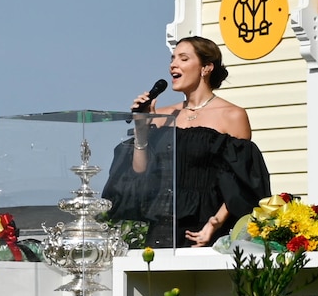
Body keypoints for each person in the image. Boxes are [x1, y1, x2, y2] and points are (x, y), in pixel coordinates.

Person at [105, 35, 271, 248]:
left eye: (183, 59)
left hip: (207, 228)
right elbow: (139, 171)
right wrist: (142, 127)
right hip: (163, 226)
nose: (173, 64)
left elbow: (240, 181)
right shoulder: (162, 115)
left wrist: (214, 223)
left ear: (206, 68)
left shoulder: (232, 115)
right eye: (173, 59)